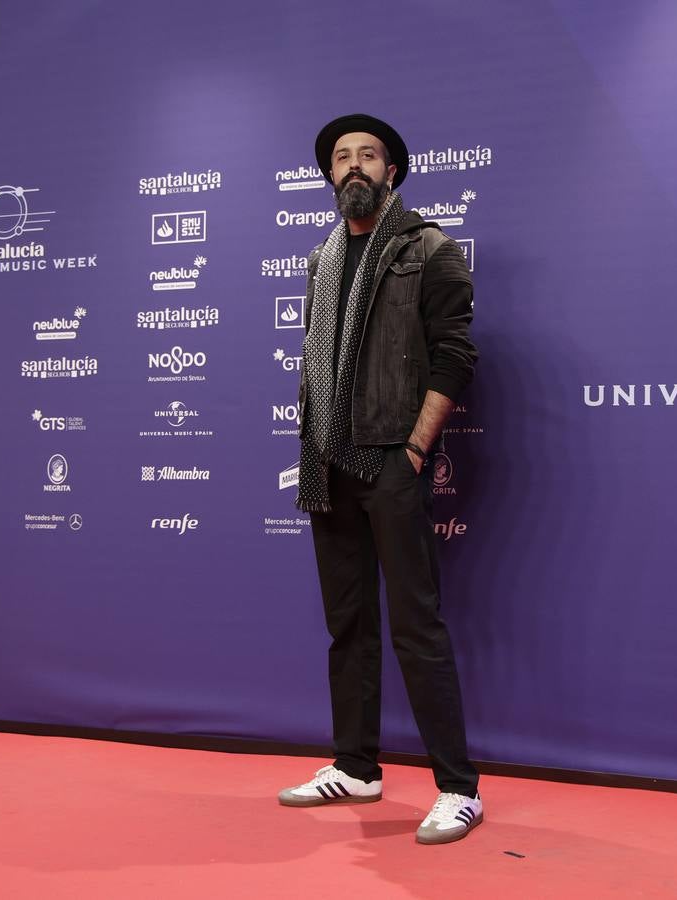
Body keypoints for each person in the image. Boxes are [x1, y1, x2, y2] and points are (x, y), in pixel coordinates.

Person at [277, 113, 481, 845]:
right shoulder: (321, 259)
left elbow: (454, 355)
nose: (354, 166)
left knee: (415, 625)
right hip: (328, 459)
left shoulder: (427, 248)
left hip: (391, 458)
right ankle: (356, 765)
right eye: (342, 157)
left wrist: (416, 448)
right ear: (329, 177)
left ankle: (458, 788)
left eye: (368, 155)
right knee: (348, 625)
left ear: (391, 171)